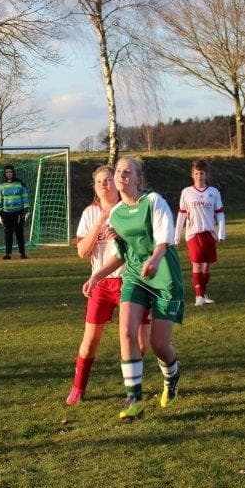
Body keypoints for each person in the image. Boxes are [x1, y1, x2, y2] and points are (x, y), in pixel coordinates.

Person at [82, 156, 184, 421]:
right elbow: (119, 255)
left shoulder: (154, 202)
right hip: (135, 277)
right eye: (118, 171)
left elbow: (165, 242)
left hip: (163, 278)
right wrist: (97, 276)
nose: (121, 176)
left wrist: (154, 259)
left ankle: (171, 377)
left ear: (139, 179)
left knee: (159, 344)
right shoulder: (115, 214)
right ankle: (134, 398)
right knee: (126, 332)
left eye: (128, 172)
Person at [66, 165, 150, 405]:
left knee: (142, 342)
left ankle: (131, 381)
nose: (105, 184)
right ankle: (78, 388)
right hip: (101, 284)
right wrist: (101, 221)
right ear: (95, 187)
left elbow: (143, 245)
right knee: (90, 340)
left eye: (109, 180)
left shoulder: (130, 209)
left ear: (117, 182)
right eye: (99, 181)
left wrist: (123, 236)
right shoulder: (90, 213)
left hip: (131, 280)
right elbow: (82, 252)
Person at [174, 159, 226, 307]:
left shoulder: (213, 192)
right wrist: (176, 235)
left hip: (209, 233)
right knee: (196, 265)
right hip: (193, 234)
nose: (199, 176)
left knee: (206, 266)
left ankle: (203, 293)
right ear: (192, 175)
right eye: (196, 173)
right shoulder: (187, 192)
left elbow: (220, 213)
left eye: (201, 173)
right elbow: (182, 214)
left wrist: (221, 231)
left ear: (206, 174)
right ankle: (198, 296)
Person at [0, 164, 31, 259]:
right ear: (4, 174)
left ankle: (22, 254)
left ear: (13, 173)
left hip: (18, 213)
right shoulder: (2, 185)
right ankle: (8, 254)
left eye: (10, 172)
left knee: (19, 233)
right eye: (6, 172)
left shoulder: (20, 184)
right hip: (6, 213)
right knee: (8, 234)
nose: (8, 174)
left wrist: (26, 211)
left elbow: (25, 197)